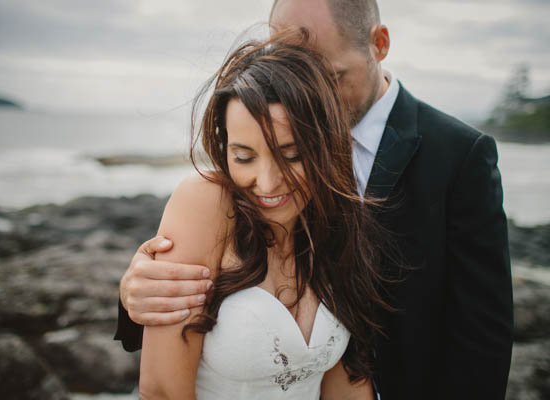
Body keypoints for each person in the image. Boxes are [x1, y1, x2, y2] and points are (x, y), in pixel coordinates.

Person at [117, 1, 514, 399]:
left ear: (379, 44)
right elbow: (175, 354)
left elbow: (483, 330)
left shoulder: (460, 154)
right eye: (293, 71)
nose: (312, 95)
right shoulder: (223, 188)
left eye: (327, 76)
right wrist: (140, 292)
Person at [138, 34, 384, 399]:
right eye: (244, 157)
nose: (267, 183)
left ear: (324, 144)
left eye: (291, 155)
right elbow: (161, 390)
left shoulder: (338, 223)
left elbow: (349, 382)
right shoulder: (205, 202)